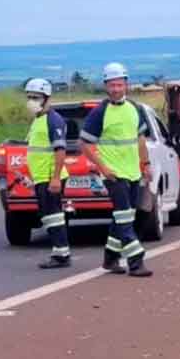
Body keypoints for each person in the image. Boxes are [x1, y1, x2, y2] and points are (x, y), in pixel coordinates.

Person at [78, 62, 154, 277]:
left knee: (125, 215)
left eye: (119, 84)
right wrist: (103, 168)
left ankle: (110, 258)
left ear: (126, 84)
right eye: (112, 85)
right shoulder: (99, 112)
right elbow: (84, 144)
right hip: (113, 174)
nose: (116, 89)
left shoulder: (134, 109)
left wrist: (145, 164)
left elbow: (140, 139)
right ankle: (136, 261)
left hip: (132, 171)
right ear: (105, 86)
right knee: (124, 217)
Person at [23, 78, 71, 269]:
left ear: (46, 98)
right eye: (29, 97)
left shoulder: (53, 120)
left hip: (51, 177)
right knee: (48, 216)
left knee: (53, 215)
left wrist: (56, 178)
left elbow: (60, 151)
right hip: (41, 177)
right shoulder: (38, 120)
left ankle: (61, 254)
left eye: (36, 97)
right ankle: (60, 251)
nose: (32, 101)